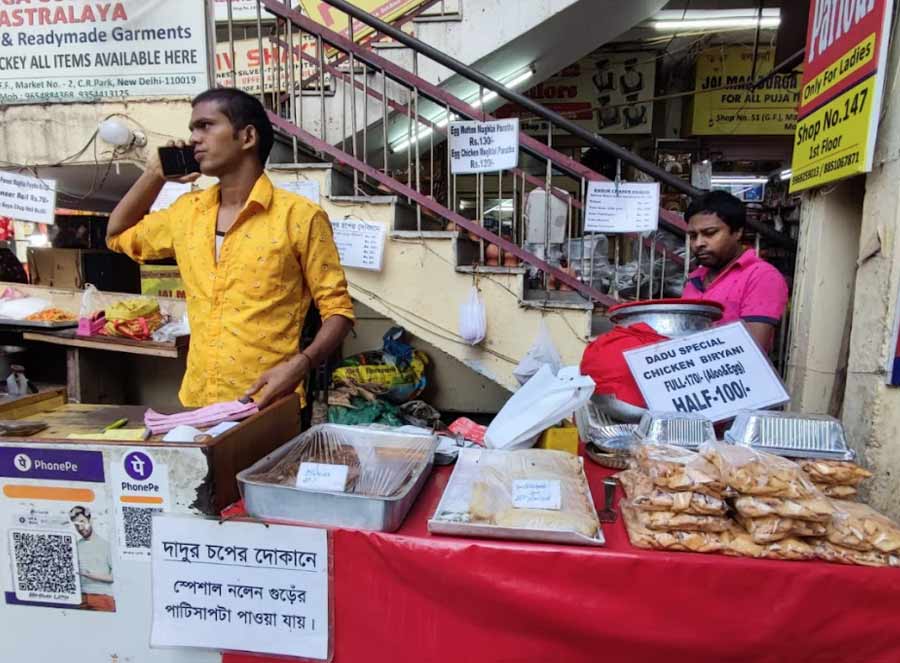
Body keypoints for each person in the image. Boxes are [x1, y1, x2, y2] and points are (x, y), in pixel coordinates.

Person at [107, 88, 354, 408]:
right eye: (192, 129)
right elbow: (117, 234)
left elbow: (338, 311)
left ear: (247, 136)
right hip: (199, 398)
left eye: (206, 126)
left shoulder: (299, 217)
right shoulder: (187, 213)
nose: (194, 138)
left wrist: (300, 365)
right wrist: (155, 175)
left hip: (268, 401)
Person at [682, 190, 788, 350]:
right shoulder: (695, 277)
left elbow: (751, 350)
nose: (698, 243)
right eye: (692, 236)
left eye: (710, 233)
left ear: (737, 232)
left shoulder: (762, 276)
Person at [69, 506, 115, 612]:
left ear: (91, 520)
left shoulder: (106, 546)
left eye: (82, 522)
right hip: (80, 599)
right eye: (76, 525)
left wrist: (91, 575)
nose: (80, 528)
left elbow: (116, 577)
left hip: (102, 598)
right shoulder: (74, 547)